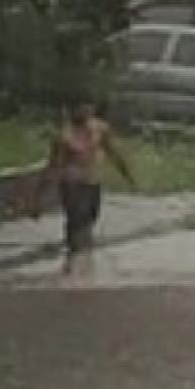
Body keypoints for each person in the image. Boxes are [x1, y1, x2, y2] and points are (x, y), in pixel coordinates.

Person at [34, 103, 135, 277]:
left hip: (92, 180)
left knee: (90, 216)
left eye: (87, 108)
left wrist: (126, 174)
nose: (84, 112)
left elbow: (112, 151)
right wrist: (39, 197)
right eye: (80, 108)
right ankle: (76, 255)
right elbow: (53, 165)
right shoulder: (63, 136)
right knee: (76, 218)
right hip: (71, 182)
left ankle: (82, 255)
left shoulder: (100, 129)